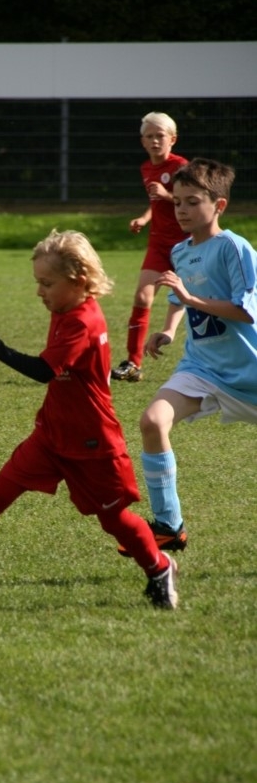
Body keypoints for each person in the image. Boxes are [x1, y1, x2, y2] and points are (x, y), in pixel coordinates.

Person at [0, 229, 179, 609]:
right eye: (38, 282)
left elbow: (43, 371)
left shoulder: (82, 322)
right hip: (51, 436)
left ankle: (160, 568)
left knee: (114, 520)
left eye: (47, 283)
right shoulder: (64, 308)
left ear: (79, 280)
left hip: (93, 444)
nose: (40, 292)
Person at [121, 158, 257, 556]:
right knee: (152, 421)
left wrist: (191, 298)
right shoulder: (179, 251)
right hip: (202, 367)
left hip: (249, 370)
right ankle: (168, 526)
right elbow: (180, 299)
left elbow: (246, 310)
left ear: (219, 205)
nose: (181, 210)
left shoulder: (234, 247)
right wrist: (168, 329)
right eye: (177, 202)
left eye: (192, 202)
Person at [111, 111, 188, 383]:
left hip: (185, 244)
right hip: (158, 243)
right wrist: (144, 219)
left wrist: (167, 195)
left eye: (160, 136)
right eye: (149, 136)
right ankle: (133, 363)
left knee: (196, 299)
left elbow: (193, 200)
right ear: (142, 141)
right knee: (142, 298)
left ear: (173, 139)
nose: (155, 141)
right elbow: (155, 203)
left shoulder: (182, 167)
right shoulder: (146, 168)